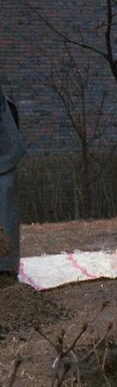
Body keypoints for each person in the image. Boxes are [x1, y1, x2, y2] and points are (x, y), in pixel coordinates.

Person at [0, 84, 25, 286]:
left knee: (4, 205)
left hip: (4, 160)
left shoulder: (5, 107)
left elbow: (12, 145)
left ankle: (5, 270)